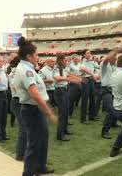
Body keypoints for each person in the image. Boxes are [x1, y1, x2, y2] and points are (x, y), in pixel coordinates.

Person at [14, 37, 57, 176]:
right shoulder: (25, 70)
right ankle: (28, 173)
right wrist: (49, 112)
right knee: (34, 143)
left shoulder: (28, 68)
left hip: (35, 109)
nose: (38, 57)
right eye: (36, 55)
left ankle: (40, 167)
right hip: (32, 110)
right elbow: (35, 94)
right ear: (29, 56)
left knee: (42, 139)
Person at [53, 55, 82, 141]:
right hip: (60, 90)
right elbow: (57, 78)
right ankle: (60, 135)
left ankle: (64, 130)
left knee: (66, 111)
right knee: (62, 113)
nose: (67, 61)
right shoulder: (57, 68)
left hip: (64, 89)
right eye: (65, 60)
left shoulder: (63, 68)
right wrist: (71, 80)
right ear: (61, 60)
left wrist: (77, 78)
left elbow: (69, 75)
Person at [100, 48, 122, 139]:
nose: (115, 60)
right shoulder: (104, 65)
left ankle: (113, 123)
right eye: (114, 58)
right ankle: (105, 130)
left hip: (114, 90)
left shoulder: (115, 66)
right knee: (111, 110)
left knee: (117, 107)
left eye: (116, 59)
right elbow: (107, 59)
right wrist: (116, 50)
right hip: (106, 90)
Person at [9, 55, 26, 161]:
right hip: (17, 101)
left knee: (25, 128)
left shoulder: (18, 71)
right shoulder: (15, 72)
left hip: (20, 101)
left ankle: (23, 151)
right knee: (23, 128)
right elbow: (14, 87)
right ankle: (20, 154)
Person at [79, 50, 99, 124]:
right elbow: (83, 69)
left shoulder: (90, 62)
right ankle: (83, 119)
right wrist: (93, 74)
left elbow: (95, 69)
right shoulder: (82, 62)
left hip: (90, 80)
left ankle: (92, 116)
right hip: (85, 80)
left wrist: (94, 75)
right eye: (87, 53)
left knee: (93, 97)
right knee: (85, 99)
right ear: (84, 55)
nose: (89, 54)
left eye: (90, 53)